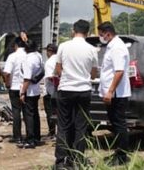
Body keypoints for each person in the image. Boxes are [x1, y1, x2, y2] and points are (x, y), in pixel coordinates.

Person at [54, 19, 99, 169]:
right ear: (87, 32)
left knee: (63, 126)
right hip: (84, 91)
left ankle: (61, 161)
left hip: (66, 89)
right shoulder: (92, 49)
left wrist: (67, 76)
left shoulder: (63, 46)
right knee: (80, 127)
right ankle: (77, 159)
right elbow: (93, 74)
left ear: (73, 30)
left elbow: (58, 69)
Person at [98, 22, 131, 165]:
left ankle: (122, 156)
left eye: (101, 34)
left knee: (119, 124)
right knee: (115, 124)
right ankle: (118, 152)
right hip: (113, 92)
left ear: (107, 33)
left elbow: (119, 71)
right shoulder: (112, 46)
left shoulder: (117, 47)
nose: (100, 37)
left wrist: (110, 91)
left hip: (117, 93)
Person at [3, 36, 28, 143]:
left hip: (14, 87)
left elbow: (7, 73)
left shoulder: (12, 56)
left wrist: (7, 83)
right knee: (27, 112)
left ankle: (17, 136)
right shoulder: (29, 55)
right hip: (26, 87)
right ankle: (30, 135)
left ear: (16, 45)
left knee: (16, 111)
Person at [19, 39, 43, 149]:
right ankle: (37, 137)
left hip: (29, 91)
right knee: (35, 114)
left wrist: (22, 92)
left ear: (25, 48)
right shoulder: (38, 56)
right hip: (36, 89)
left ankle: (30, 139)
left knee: (28, 116)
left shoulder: (27, 60)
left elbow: (27, 78)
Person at [43, 43, 59, 138]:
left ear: (50, 52)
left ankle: (52, 132)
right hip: (60, 91)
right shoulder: (60, 59)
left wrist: (56, 83)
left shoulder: (49, 62)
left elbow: (50, 77)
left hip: (51, 92)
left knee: (50, 113)